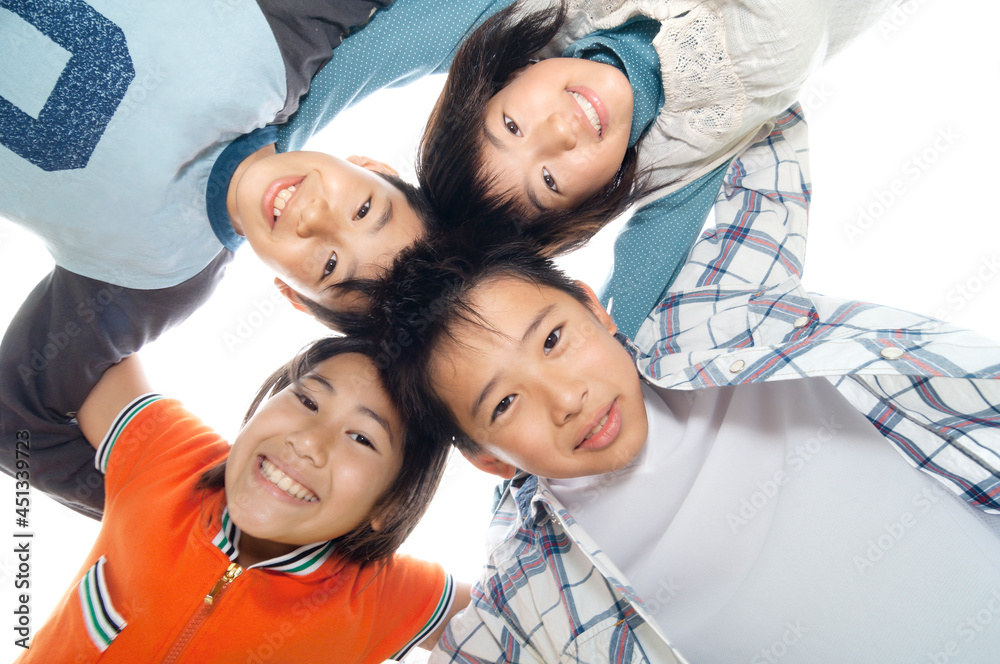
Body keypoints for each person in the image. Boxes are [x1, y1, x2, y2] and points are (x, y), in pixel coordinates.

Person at [364, 107, 1000, 662]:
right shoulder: (527, 588)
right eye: (504, 404)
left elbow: (764, 112)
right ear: (487, 459)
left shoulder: (714, 312)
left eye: (553, 339)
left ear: (594, 308)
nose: (566, 399)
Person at [0, 0, 515, 519]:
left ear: (292, 294)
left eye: (329, 266)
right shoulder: (287, 30)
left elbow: (14, 421)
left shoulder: (160, 276)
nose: (314, 218)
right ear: (373, 167)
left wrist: (185, 518)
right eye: (363, 209)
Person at [417, 0, 893, 335]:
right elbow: (625, 313)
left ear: (510, 76)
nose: (560, 132)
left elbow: (400, 40)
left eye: (512, 126)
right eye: (549, 180)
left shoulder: (554, 13)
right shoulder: (692, 145)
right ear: (594, 198)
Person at [15, 335, 470, 662]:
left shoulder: (380, 596)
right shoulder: (171, 452)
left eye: (362, 438)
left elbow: (507, 626)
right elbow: (85, 341)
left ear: (390, 505)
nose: (308, 442)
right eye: (309, 401)